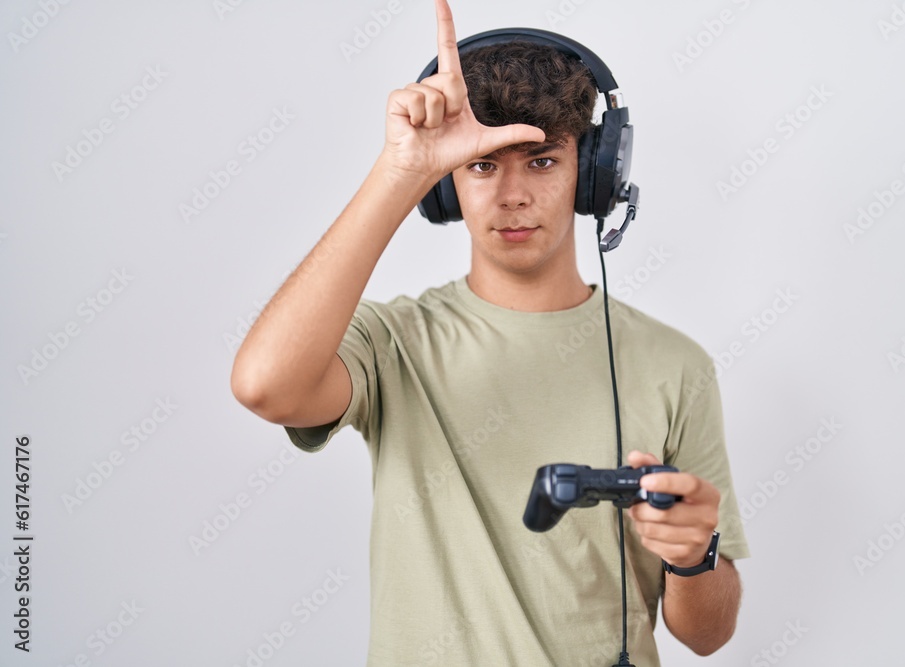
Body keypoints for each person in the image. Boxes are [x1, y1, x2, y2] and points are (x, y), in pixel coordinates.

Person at [231, 0, 749, 664]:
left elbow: (708, 634)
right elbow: (265, 385)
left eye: (541, 161)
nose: (512, 195)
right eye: (482, 165)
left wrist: (693, 552)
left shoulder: (676, 364)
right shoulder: (394, 343)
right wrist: (400, 171)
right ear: (445, 186)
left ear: (593, 175)